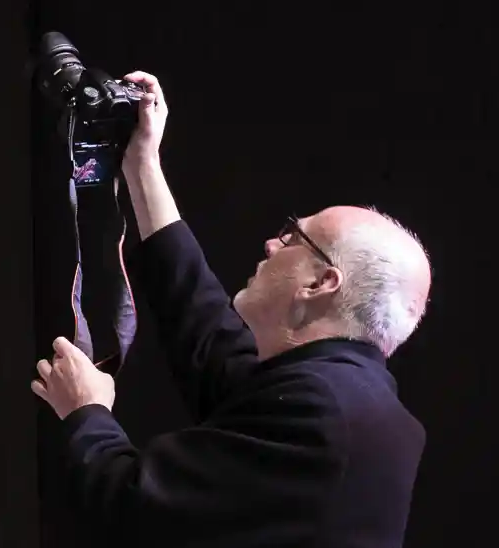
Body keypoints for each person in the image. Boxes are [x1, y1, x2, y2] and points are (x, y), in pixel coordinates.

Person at [32, 71, 432, 548]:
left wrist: (87, 411)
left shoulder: (322, 413)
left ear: (321, 281)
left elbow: (135, 510)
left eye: (292, 237)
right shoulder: (338, 393)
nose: (270, 244)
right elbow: (203, 326)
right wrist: (143, 163)